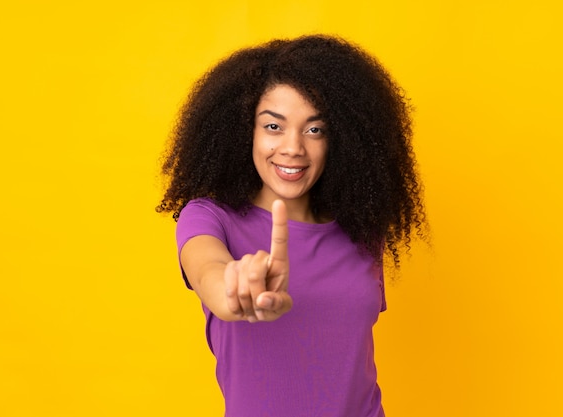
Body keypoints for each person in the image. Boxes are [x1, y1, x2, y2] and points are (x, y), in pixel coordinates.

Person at [157, 34, 426, 417]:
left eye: (315, 129)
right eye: (273, 127)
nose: (293, 147)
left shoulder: (362, 228)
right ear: (242, 130)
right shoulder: (209, 217)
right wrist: (235, 287)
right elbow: (208, 271)